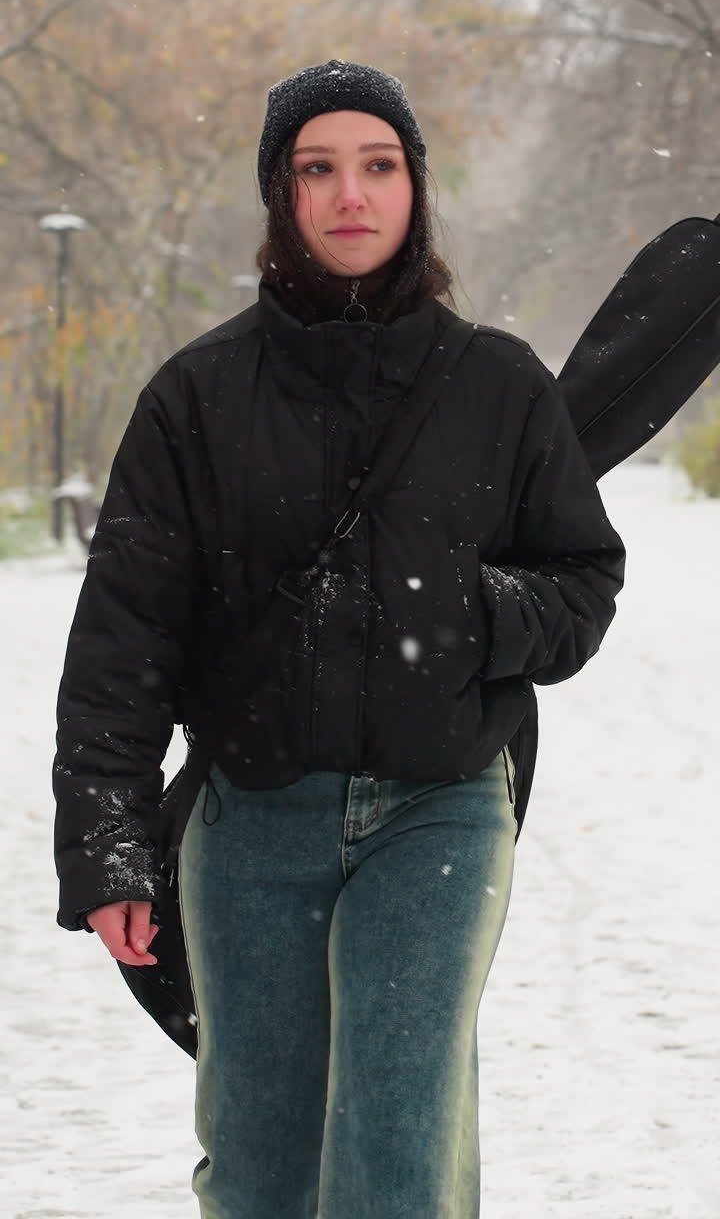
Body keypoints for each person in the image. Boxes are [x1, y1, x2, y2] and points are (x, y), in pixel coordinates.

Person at [53, 60, 625, 1218]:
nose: (349, 194)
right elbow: (124, 634)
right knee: (260, 1164)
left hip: (441, 808)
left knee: (396, 1153)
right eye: (317, 169)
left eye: (379, 165)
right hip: (252, 809)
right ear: (282, 194)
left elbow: (583, 583)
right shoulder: (197, 397)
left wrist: (478, 612)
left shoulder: (500, 386)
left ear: (415, 187)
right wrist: (106, 840)